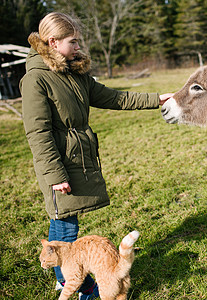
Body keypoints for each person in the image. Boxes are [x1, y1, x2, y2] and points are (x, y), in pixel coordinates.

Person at [20, 12, 173, 299]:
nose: (78, 47)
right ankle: (82, 287)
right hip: (59, 164)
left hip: (79, 158)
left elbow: (115, 97)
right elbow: (38, 133)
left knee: (64, 220)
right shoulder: (36, 80)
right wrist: (55, 176)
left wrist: (157, 99)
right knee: (64, 227)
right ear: (53, 42)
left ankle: (68, 281)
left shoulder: (75, 74)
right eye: (73, 41)